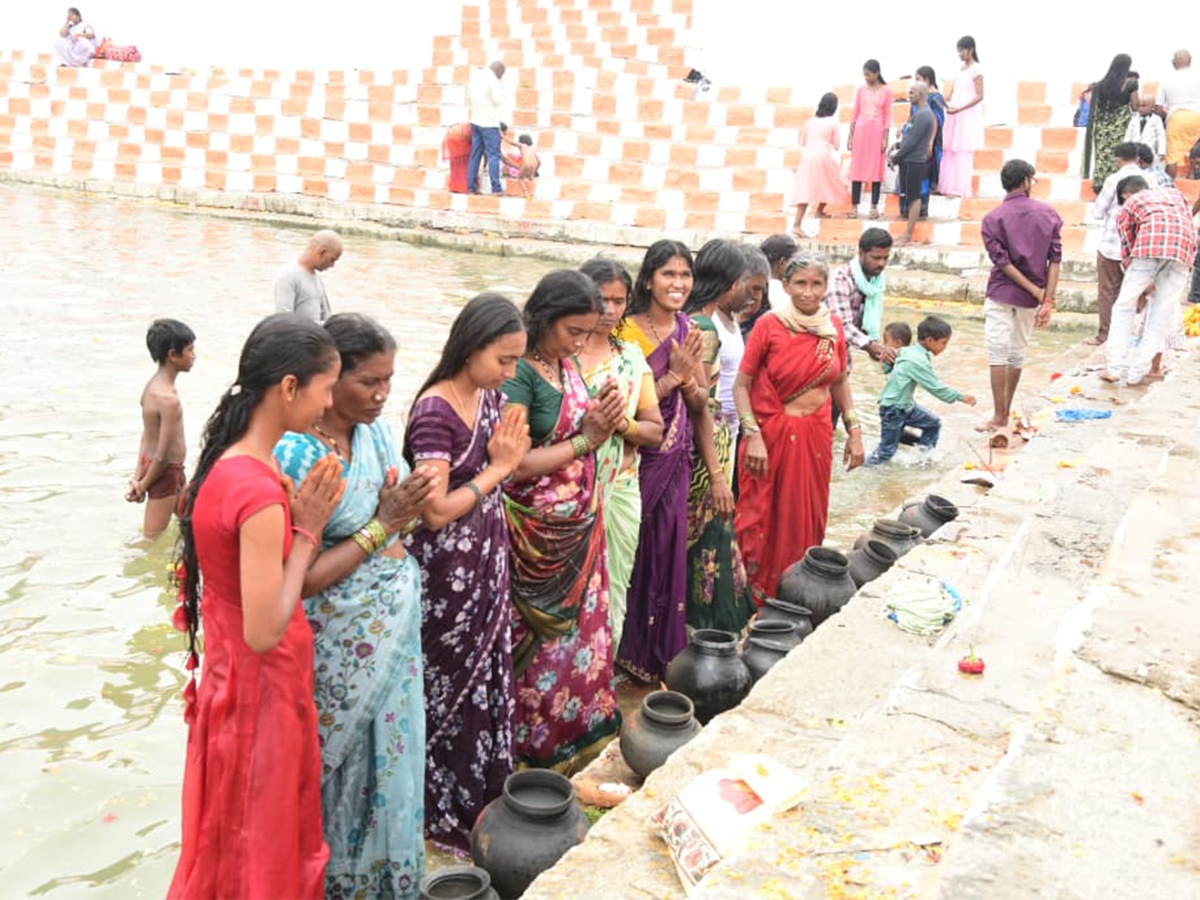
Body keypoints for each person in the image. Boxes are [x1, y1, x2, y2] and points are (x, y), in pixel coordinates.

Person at [168, 314, 345, 900]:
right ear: (289, 387)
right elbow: (265, 629)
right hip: (261, 691)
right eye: (325, 388)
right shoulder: (258, 491)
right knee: (263, 848)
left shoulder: (234, 463)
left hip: (236, 683)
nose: (329, 404)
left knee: (232, 837)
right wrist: (307, 532)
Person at [272, 315, 437, 897]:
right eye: (368, 381)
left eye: (389, 380)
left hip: (391, 634)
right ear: (329, 377)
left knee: (389, 758)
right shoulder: (295, 454)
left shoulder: (378, 435)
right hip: (331, 645)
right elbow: (299, 578)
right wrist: (382, 526)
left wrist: (398, 517)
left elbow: (402, 523)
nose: (382, 394)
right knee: (336, 767)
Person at [402, 294, 529, 852]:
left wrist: (506, 462)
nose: (511, 372)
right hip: (445, 573)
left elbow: (507, 460)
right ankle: (438, 803)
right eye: (504, 359)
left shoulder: (488, 397)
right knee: (446, 684)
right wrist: (499, 469)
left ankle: (478, 791)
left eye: (516, 359)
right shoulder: (436, 411)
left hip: (484, 561)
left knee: (484, 680)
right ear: (471, 347)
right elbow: (433, 511)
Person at [501, 270, 624, 768]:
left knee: (579, 639)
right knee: (538, 647)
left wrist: (605, 411)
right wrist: (585, 440)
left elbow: (580, 425)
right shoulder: (519, 375)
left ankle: (575, 735)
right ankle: (528, 750)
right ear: (543, 318)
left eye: (586, 333)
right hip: (536, 533)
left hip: (579, 525)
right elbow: (513, 463)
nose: (579, 343)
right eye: (573, 331)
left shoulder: (563, 363)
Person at [734, 251, 865, 605]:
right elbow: (741, 385)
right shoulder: (769, 325)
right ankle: (755, 597)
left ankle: (800, 593)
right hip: (772, 436)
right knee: (763, 518)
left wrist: (854, 430)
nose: (808, 292)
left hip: (816, 434)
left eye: (816, 284)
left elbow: (839, 380)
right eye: (800, 283)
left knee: (808, 513)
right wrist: (753, 435)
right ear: (786, 285)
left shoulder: (832, 327)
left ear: (825, 286)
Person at [615, 241, 707, 683]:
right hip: (632, 459)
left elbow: (702, 401)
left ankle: (652, 655)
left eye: (685, 275)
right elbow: (621, 405)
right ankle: (619, 646)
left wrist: (685, 381)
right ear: (648, 279)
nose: (678, 283)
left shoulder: (689, 329)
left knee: (665, 550)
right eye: (668, 273)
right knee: (628, 548)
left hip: (674, 462)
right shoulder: (623, 331)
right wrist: (671, 377)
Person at [575, 259, 664, 653]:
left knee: (613, 588)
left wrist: (620, 425)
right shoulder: (559, 355)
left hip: (621, 487)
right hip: (567, 490)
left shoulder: (630, 356)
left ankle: (601, 672)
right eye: (601, 300)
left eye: (618, 301)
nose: (609, 310)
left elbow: (654, 430)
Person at [682, 241, 754, 633]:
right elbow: (700, 403)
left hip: (709, 439)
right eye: (742, 281)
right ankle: (706, 625)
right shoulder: (704, 327)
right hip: (706, 445)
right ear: (729, 283)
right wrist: (716, 472)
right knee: (709, 536)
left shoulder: (702, 319)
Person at [977, 160, 1062, 432]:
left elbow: (1003, 263)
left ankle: (999, 415)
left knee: (998, 353)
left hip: (1002, 291)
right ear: (1026, 181)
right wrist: (1046, 298)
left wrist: (1037, 292)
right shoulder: (1048, 214)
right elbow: (1055, 260)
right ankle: (1005, 410)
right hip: (1031, 297)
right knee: (1016, 353)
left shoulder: (992, 219)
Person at [1101, 176, 1198, 385]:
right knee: (1162, 312)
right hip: (1184, 250)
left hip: (1149, 248)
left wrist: (1139, 288)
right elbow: (1187, 221)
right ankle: (1137, 373)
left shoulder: (1129, 205)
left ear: (1126, 194)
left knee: (1123, 307)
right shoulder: (1174, 193)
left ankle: (1114, 368)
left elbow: (1127, 249)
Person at [866, 316, 976, 465]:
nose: (945, 347)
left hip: (905, 406)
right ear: (930, 340)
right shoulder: (916, 360)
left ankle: (922, 459)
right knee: (885, 452)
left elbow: (887, 367)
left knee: (933, 423)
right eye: (943, 343)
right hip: (893, 409)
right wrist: (960, 397)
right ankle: (864, 468)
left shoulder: (909, 352)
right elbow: (935, 387)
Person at [127, 318, 195, 538]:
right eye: (190, 350)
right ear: (173, 355)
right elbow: (163, 454)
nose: (193, 356)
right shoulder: (168, 400)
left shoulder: (151, 388)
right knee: (150, 542)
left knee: (193, 525)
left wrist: (139, 478)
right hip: (165, 473)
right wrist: (144, 485)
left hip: (167, 471)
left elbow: (147, 436)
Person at [826, 228, 896, 425]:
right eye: (876, 258)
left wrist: (877, 347)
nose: (881, 263)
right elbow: (841, 325)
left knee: (831, 422)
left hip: (841, 362)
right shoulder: (840, 280)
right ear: (861, 253)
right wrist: (870, 346)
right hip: (819, 361)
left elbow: (864, 326)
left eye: (885, 258)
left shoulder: (874, 283)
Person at [1088, 142, 1144, 345]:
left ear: (1118, 160)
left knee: (1107, 291)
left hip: (1112, 244)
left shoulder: (1113, 179)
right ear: (1138, 159)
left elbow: (1097, 212)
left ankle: (1105, 335)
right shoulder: (1150, 179)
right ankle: (1129, 335)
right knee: (1135, 292)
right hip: (1139, 247)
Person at [790, 93, 849, 233]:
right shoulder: (833, 122)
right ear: (834, 107)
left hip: (807, 157)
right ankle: (819, 210)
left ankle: (797, 224)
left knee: (805, 189)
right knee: (833, 183)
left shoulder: (809, 122)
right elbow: (837, 145)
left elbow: (803, 142)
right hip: (822, 155)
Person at [1082, 54, 1139, 194]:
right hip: (1120, 127)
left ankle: (1100, 184)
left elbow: (1094, 106)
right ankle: (1117, 185)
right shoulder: (1131, 84)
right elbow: (1135, 106)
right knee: (1118, 154)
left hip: (1102, 126)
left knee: (1102, 155)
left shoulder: (1099, 85)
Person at [891, 82, 936, 246]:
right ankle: (906, 234)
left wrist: (895, 158)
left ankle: (908, 235)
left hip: (914, 161)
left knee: (914, 198)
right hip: (909, 159)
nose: (909, 96)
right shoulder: (919, 113)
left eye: (912, 93)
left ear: (921, 94)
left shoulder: (924, 115)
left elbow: (912, 142)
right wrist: (897, 146)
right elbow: (909, 138)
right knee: (910, 197)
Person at [940, 36, 985, 198]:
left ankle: (960, 188)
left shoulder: (977, 69)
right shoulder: (961, 69)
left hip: (966, 114)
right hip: (954, 112)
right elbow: (955, 90)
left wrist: (960, 108)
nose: (960, 54)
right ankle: (948, 185)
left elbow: (979, 95)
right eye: (958, 51)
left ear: (970, 50)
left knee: (962, 149)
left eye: (962, 50)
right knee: (950, 147)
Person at [847, 60, 892, 219]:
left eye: (868, 74)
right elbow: (854, 114)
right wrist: (850, 136)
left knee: (876, 170)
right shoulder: (861, 90)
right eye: (864, 75)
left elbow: (888, 116)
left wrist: (885, 138)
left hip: (877, 132)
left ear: (876, 73)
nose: (866, 78)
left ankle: (874, 207)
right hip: (860, 132)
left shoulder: (887, 91)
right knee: (857, 169)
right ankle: (854, 207)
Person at [274, 230, 343, 322]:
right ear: (321, 252)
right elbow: (283, 321)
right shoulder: (288, 276)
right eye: (332, 260)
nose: (332, 265)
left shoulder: (317, 278)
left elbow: (327, 316)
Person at [1155, 50, 1200, 180]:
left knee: (1172, 158)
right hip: (1198, 116)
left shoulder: (1166, 80)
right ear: (1190, 60)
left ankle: (1169, 184)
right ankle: (1192, 172)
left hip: (1176, 118)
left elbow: (1158, 109)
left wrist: (1167, 116)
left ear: (1173, 63)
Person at [908, 66, 946, 217]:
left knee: (925, 172)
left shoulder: (935, 97)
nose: (916, 81)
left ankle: (923, 206)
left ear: (927, 80)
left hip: (928, 138)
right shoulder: (919, 95)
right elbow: (912, 114)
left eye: (918, 79)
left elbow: (936, 120)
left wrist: (930, 141)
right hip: (915, 138)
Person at [468, 61, 507, 195]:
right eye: (501, 74)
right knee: (493, 156)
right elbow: (498, 100)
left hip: (475, 120)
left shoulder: (475, 76)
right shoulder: (493, 79)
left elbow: (469, 96)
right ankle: (496, 188)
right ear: (498, 71)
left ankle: (472, 188)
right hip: (489, 123)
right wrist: (500, 88)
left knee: (475, 155)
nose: (501, 77)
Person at [760, 233, 799, 313]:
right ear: (782, 263)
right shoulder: (782, 294)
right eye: (794, 262)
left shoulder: (758, 287)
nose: (797, 267)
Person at [1124, 96, 1167, 165]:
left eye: (1143, 106)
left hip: (1149, 151)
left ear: (1152, 107)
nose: (1140, 109)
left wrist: (1161, 151)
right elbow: (1128, 134)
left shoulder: (1156, 120)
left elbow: (1161, 136)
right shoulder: (1134, 119)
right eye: (1139, 106)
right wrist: (1125, 149)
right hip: (1135, 151)